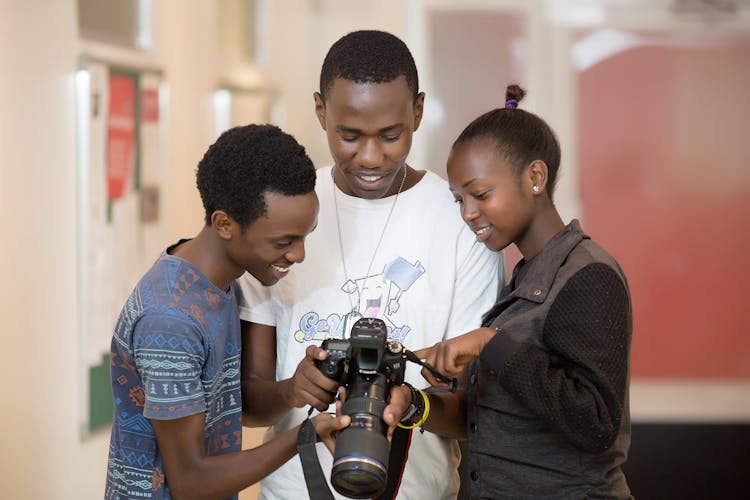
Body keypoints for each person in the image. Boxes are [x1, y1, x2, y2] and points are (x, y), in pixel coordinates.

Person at [238, 30, 503, 499]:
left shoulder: (462, 223)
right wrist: (293, 390)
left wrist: (410, 405)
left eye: (390, 135)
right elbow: (248, 402)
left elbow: (473, 413)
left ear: (418, 111)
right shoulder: (282, 213)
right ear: (320, 111)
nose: (370, 157)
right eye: (349, 135)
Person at [383, 84, 633, 498]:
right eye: (458, 199)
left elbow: (596, 423)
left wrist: (489, 344)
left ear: (535, 177)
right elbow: (497, 416)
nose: (467, 213)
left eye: (480, 194)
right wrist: (413, 403)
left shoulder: (588, 274)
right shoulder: (523, 278)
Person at [104, 124, 349, 500]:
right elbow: (191, 482)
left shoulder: (219, 281)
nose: (298, 255)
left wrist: (291, 390)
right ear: (225, 224)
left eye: (305, 235)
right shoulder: (170, 321)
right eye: (284, 242)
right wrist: (303, 436)